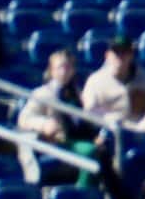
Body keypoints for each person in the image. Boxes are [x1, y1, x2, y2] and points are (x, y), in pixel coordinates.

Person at [16, 48, 99, 180]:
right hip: (59, 141)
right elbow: (24, 118)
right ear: (52, 70)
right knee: (90, 151)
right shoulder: (42, 93)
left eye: (68, 67)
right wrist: (44, 124)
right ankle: (83, 189)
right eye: (60, 67)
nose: (64, 71)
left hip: (80, 137)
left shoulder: (78, 93)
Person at [79, 35, 145, 134]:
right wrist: (109, 124)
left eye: (124, 52)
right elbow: (90, 112)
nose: (120, 56)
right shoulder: (95, 81)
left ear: (131, 55)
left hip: (140, 132)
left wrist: (141, 129)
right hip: (108, 133)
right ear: (107, 55)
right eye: (116, 52)